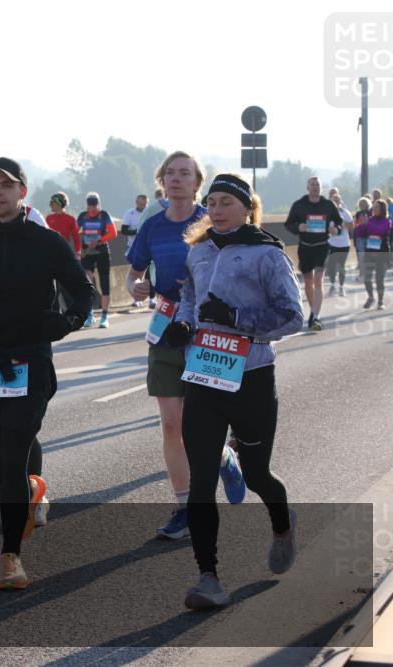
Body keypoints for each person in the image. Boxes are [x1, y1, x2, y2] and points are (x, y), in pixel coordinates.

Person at [0, 157, 94, 590]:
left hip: (30, 358)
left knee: (12, 449)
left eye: (6, 185)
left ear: (22, 192)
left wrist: (66, 322)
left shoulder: (46, 242)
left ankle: (11, 556)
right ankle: (28, 489)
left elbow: (81, 293)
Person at [165, 173, 302, 609]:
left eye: (226, 202)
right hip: (204, 375)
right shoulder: (199, 251)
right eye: (213, 202)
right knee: (202, 480)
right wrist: (185, 322)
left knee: (258, 473)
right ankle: (209, 578)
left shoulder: (268, 254)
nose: (217, 209)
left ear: (247, 208)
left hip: (253, 377)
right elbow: (189, 296)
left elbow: (292, 317)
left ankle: (282, 524)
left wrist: (237, 316)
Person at [125, 152, 246, 541]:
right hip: (164, 329)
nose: (176, 180)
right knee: (172, 423)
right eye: (170, 174)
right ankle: (185, 507)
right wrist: (136, 287)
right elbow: (133, 274)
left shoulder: (213, 223)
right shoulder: (153, 227)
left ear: (197, 183)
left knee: (203, 424)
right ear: (162, 181)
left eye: (185, 174)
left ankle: (224, 456)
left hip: (208, 332)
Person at [283, 176, 342, 330]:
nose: (315, 187)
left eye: (318, 185)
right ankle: (313, 312)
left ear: (321, 188)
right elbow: (288, 224)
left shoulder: (328, 205)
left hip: (322, 246)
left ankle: (315, 315)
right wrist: (298, 227)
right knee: (308, 281)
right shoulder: (299, 205)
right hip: (305, 246)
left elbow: (339, 222)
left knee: (318, 279)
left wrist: (336, 229)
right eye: (312, 184)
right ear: (308, 187)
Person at [77, 193, 118, 327]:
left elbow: (113, 233)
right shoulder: (82, 216)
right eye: (90, 205)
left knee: (104, 282)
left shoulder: (104, 215)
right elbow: (75, 232)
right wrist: (80, 249)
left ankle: (105, 317)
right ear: (87, 205)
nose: (93, 208)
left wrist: (99, 240)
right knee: (86, 282)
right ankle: (89, 314)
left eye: (95, 205)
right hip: (87, 253)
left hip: (102, 252)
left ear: (98, 204)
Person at [355, 198, 392, 309]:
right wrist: (361, 225)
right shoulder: (369, 220)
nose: (374, 209)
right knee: (367, 277)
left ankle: (380, 301)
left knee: (379, 279)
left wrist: (367, 224)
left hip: (382, 253)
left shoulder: (387, 221)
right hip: (370, 252)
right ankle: (371, 297)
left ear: (382, 209)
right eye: (374, 206)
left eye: (376, 207)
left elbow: (381, 231)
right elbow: (360, 233)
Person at [122, 194, 149, 306]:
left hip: (148, 246)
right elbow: (124, 230)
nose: (142, 206)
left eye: (144, 204)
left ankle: (149, 297)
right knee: (136, 271)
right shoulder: (130, 213)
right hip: (133, 246)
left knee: (146, 272)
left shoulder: (149, 212)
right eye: (140, 204)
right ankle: (137, 298)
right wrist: (136, 232)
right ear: (136, 202)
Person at [326, 193, 354, 296]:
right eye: (333, 201)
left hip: (344, 243)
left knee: (341, 266)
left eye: (337, 200)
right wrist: (330, 230)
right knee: (331, 265)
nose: (335, 202)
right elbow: (323, 226)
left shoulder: (345, 213)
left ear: (340, 202)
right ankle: (333, 284)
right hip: (332, 243)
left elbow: (351, 226)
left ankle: (341, 287)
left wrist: (341, 225)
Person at [354, 196, 373, 282]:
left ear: (368, 204)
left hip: (369, 237)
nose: (363, 205)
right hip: (360, 237)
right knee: (361, 256)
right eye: (361, 204)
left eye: (364, 203)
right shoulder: (357, 214)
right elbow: (355, 226)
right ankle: (361, 274)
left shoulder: (371, 214)